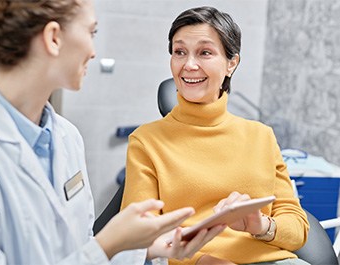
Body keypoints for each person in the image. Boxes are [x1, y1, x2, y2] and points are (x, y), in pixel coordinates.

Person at [0, 1, 225, 264]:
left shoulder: (67, 138)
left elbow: (80, 249)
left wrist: (147, 249)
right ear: (54, 38)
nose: (93, 52)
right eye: (91, 33)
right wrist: (109, 243)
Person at [121, 6, 310, 265]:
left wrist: (261, 225)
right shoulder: (146, 141)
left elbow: (297, 229)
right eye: (179, 52)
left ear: (232, 63)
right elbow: (138, 238)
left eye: (205, 52)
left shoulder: (261, 136)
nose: (189, 65)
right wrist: (201, 260)